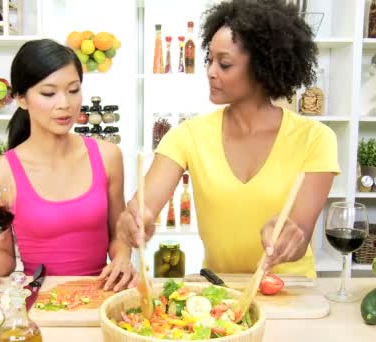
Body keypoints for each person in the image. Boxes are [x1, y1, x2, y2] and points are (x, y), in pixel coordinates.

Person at [118, 0, 340, 278]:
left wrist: (289, 237)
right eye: (209, 60)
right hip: (218, 292)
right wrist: (135, 219)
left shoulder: (316, 139)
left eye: (224, 64)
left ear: (263, 66)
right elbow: (143, 205)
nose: (210, 71)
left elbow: (301, 234)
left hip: (289, 291)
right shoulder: (188, 135)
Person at [0, 39, 136, 291]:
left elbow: (118, 234)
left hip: (100, 296)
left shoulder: (108, 156)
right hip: (38, 301)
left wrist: (122, 258)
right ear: (21, 98)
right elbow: (3, 266)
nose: (65, 104)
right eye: (48, 93)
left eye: (73, 90)